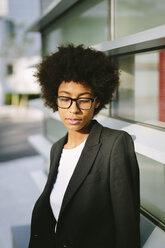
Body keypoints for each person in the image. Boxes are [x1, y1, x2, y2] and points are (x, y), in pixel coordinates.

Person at [28, 44, 140, 248]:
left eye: (84, 100)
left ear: (97, 101)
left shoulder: (114, 144)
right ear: (55, 99)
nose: (74, 110)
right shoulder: (57, 149)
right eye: (65, 99)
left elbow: (127, 227)